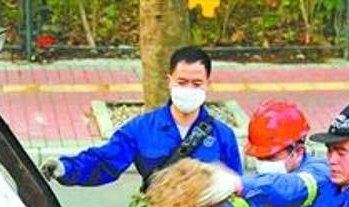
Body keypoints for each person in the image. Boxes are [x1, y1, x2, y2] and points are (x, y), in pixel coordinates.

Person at [40, 46, 242, 189]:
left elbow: (237, 188)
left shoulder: (223, 136)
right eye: (182, 82)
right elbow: (105, 162)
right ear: (169, 81)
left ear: (208, 83)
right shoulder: (142, 129)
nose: (188, 89)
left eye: (196, 83)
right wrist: (66, 168)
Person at [200, 100, 335, 207]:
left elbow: (288, 189)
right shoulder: (262, 182)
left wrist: (238, 184)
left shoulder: (320, 172)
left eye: (270, 158)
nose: (263, 164)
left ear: (298, 151)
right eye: (259, 158)